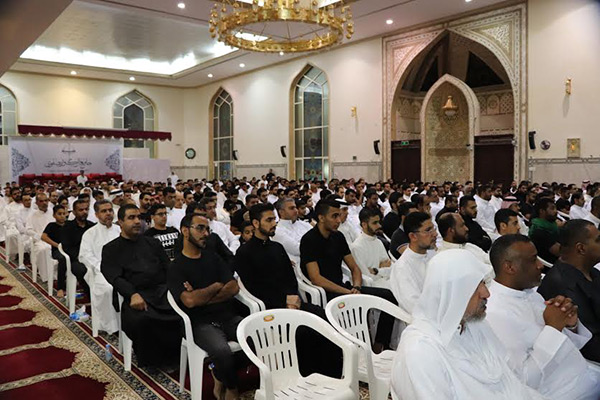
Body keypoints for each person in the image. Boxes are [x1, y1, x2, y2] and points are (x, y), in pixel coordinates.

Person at [391, 249, 546, 400]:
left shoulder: (475, 325)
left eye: (484, 283)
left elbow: (510, 380)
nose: (486, 293)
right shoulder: (421, 350)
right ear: (453, 293)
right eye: (475, 286)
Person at [486, 234, 600, 400]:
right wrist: (553, 328)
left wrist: (570, 324)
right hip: (564, 393)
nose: (540, 265)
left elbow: (569, 344)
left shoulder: (530, 293)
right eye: (533, 260)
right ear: (510, 267)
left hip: (583, 372)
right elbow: (524, 379)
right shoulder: (495, 313)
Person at [300, 199, 397, 348]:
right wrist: (347, 292)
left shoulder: (338, 236)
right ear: (321, 218)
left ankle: (379, 344)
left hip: (345, 287)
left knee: (389, 297)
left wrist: (356, 287)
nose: (339, 220)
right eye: (334, 216)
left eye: (339, 215)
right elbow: (316, 278)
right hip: (325, 292)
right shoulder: (309, 240)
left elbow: (354, 267)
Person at [168, 213, 242, 400]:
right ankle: (232, 388)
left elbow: (233, 287)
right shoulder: (176, 267)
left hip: (226, 315)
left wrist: (202, 295)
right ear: (185, 231)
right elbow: (190, 301)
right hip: (199, 323)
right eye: (200, 228)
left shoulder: (213, 258)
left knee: (258, 338)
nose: (206, 233)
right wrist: (217, 285)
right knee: (222, 351)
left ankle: (219, 373)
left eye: (207, 229)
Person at [101, 204, 181, 368]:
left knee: (183, 310)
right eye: (131, 218)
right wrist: (132, 294)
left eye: (139, 217)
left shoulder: (153, 243)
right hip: (135, 295)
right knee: (142, 320)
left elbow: (169, 268)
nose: (137, 221)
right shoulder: (111, 249)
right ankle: (153, 361)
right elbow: (114, 277)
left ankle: (177, 356)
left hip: (162, 292)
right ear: (120, 222)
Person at [538, 219, 600, 362]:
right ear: (581, 248)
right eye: (598, 240)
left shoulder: (591, 272)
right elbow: (590, 344)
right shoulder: (563, 286)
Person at [79, 199, 121, 335]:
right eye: (104, 211)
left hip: (123, 269)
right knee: (108, 289)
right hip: (100, 272)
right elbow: (84, 256)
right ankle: (113, 327)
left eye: (110, 210)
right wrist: (102, 267)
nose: (108, 213)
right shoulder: (90, 233)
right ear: (96, 215)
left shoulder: (120, 230)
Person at [390, 212, 436, 315]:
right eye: (428, 230)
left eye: (434, 228)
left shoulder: (432, 255)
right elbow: (415, 307)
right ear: (413, 236)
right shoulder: (403, 267)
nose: (435, 234)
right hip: (423, 320)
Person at [350, 207, 391, 288]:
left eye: (379, 222)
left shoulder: (378, 242)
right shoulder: (357, 247)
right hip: (375, 286)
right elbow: (368, 277)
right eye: (375, 223)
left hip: (387, 280)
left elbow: (390, 267)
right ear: (364, 225)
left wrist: (376, 270)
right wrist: (382, 269)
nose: (379, 226)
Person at [61, 199, 95, 296]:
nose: (84, 212)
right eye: (81, 210)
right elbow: (67, 248)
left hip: (92, 257)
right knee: (81, 270)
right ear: (74, 212)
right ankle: (91, 293)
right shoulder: (67, 227)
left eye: (86, 209)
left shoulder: (92, 226)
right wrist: (82, 257)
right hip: (76, 259)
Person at [272, 198, 312, 266]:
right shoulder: (278, 231)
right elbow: (298, 250)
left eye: (295, 207)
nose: (296, 210)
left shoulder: (304, 224)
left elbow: (318, 238)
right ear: (281, 212)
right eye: (292, 208)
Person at [25, 192, 55, 282]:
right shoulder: (32, 215)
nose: (44, 203)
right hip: (40, 241)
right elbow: (28, 230)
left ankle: (58, 275)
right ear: (37, 203)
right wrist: (39, 236)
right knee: (43, 249)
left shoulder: (53, 212)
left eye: (46, 201)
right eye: (41, 201)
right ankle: (46, 277)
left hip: (54, 239)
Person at [41, 205, 68, 298]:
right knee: (63, 259)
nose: (62, 216)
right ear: (54, 215)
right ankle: (60, 287)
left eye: (64, 213)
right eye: (59, 214)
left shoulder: (69, 225)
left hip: (69, 249)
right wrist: (57, 245)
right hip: (57, 251)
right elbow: (43, 237)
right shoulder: (51, 226)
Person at [529, 198, 560, 264]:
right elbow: (560, 252)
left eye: (556, 208)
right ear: (542, 211)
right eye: (552, 208)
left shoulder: (551, 225)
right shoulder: (538, 230)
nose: (556, 211)